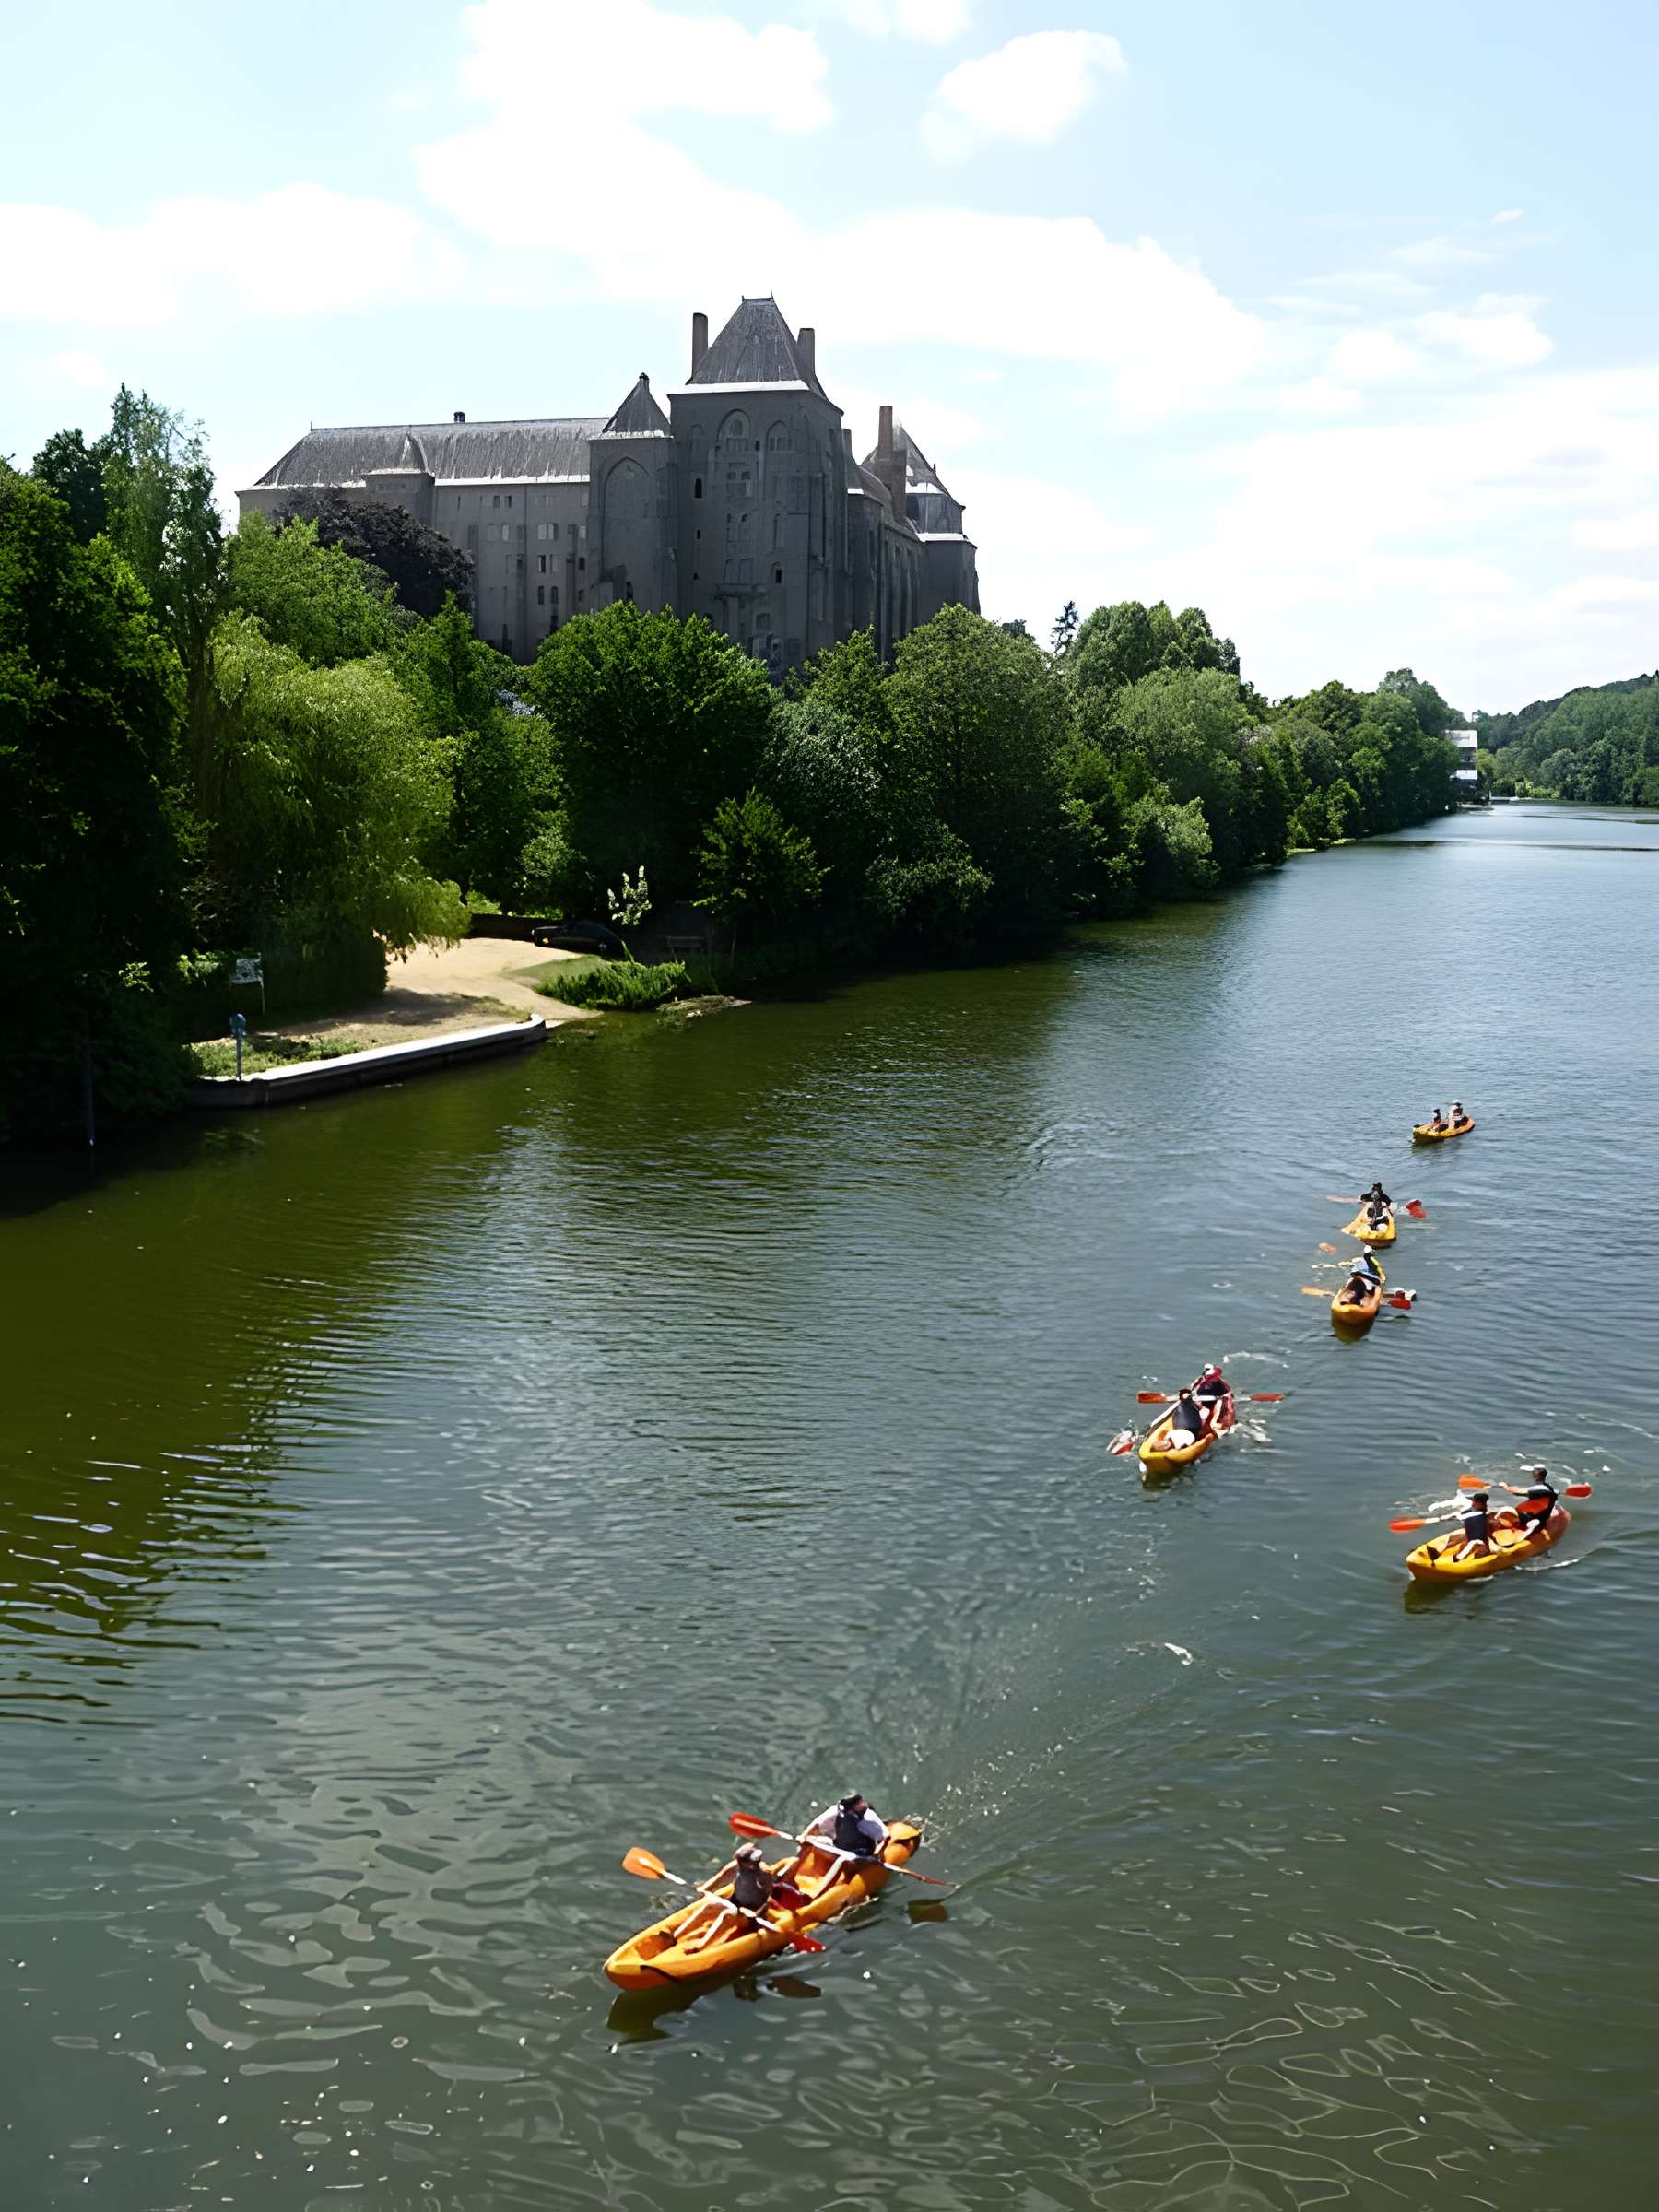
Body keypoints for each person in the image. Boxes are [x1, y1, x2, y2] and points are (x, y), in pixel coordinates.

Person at [806, 1794, 888, 1865]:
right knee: (814, 1840)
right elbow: (816, 1826)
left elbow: (885, 1838)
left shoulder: (869, 1818)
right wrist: (804, 1837)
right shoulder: (837, 1811)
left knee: (846, 1860)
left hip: (860, 1852)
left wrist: (877, 1854)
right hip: (839, 1847)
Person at [1496, 1465, 1558, 1531]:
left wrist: (1505, 1486)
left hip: (1533, 1520)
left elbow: (1516, 1492)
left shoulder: (1536, 1489)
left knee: (1510, 1510)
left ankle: (1519, 1527)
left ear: (1535, 1476)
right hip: (1543, 1518)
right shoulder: (1552, 1489)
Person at [729, 1843, 775, 1916]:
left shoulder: (763, 1875)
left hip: (754, 1909)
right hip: (736, 1904)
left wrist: (757, 1914)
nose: (758, 1861)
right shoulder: (738, 1870)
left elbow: (769, 1896)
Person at [1452, 1489, 1493, 1560]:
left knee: (1475, 1543)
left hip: (1480, 1545)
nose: (1472, 1504)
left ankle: (1459, 1558)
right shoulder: (1473, 1512)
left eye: (1474, 1502)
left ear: (1480, 1504)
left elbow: (1485, 1535)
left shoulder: (1483, 1518)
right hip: (1472, 1540)